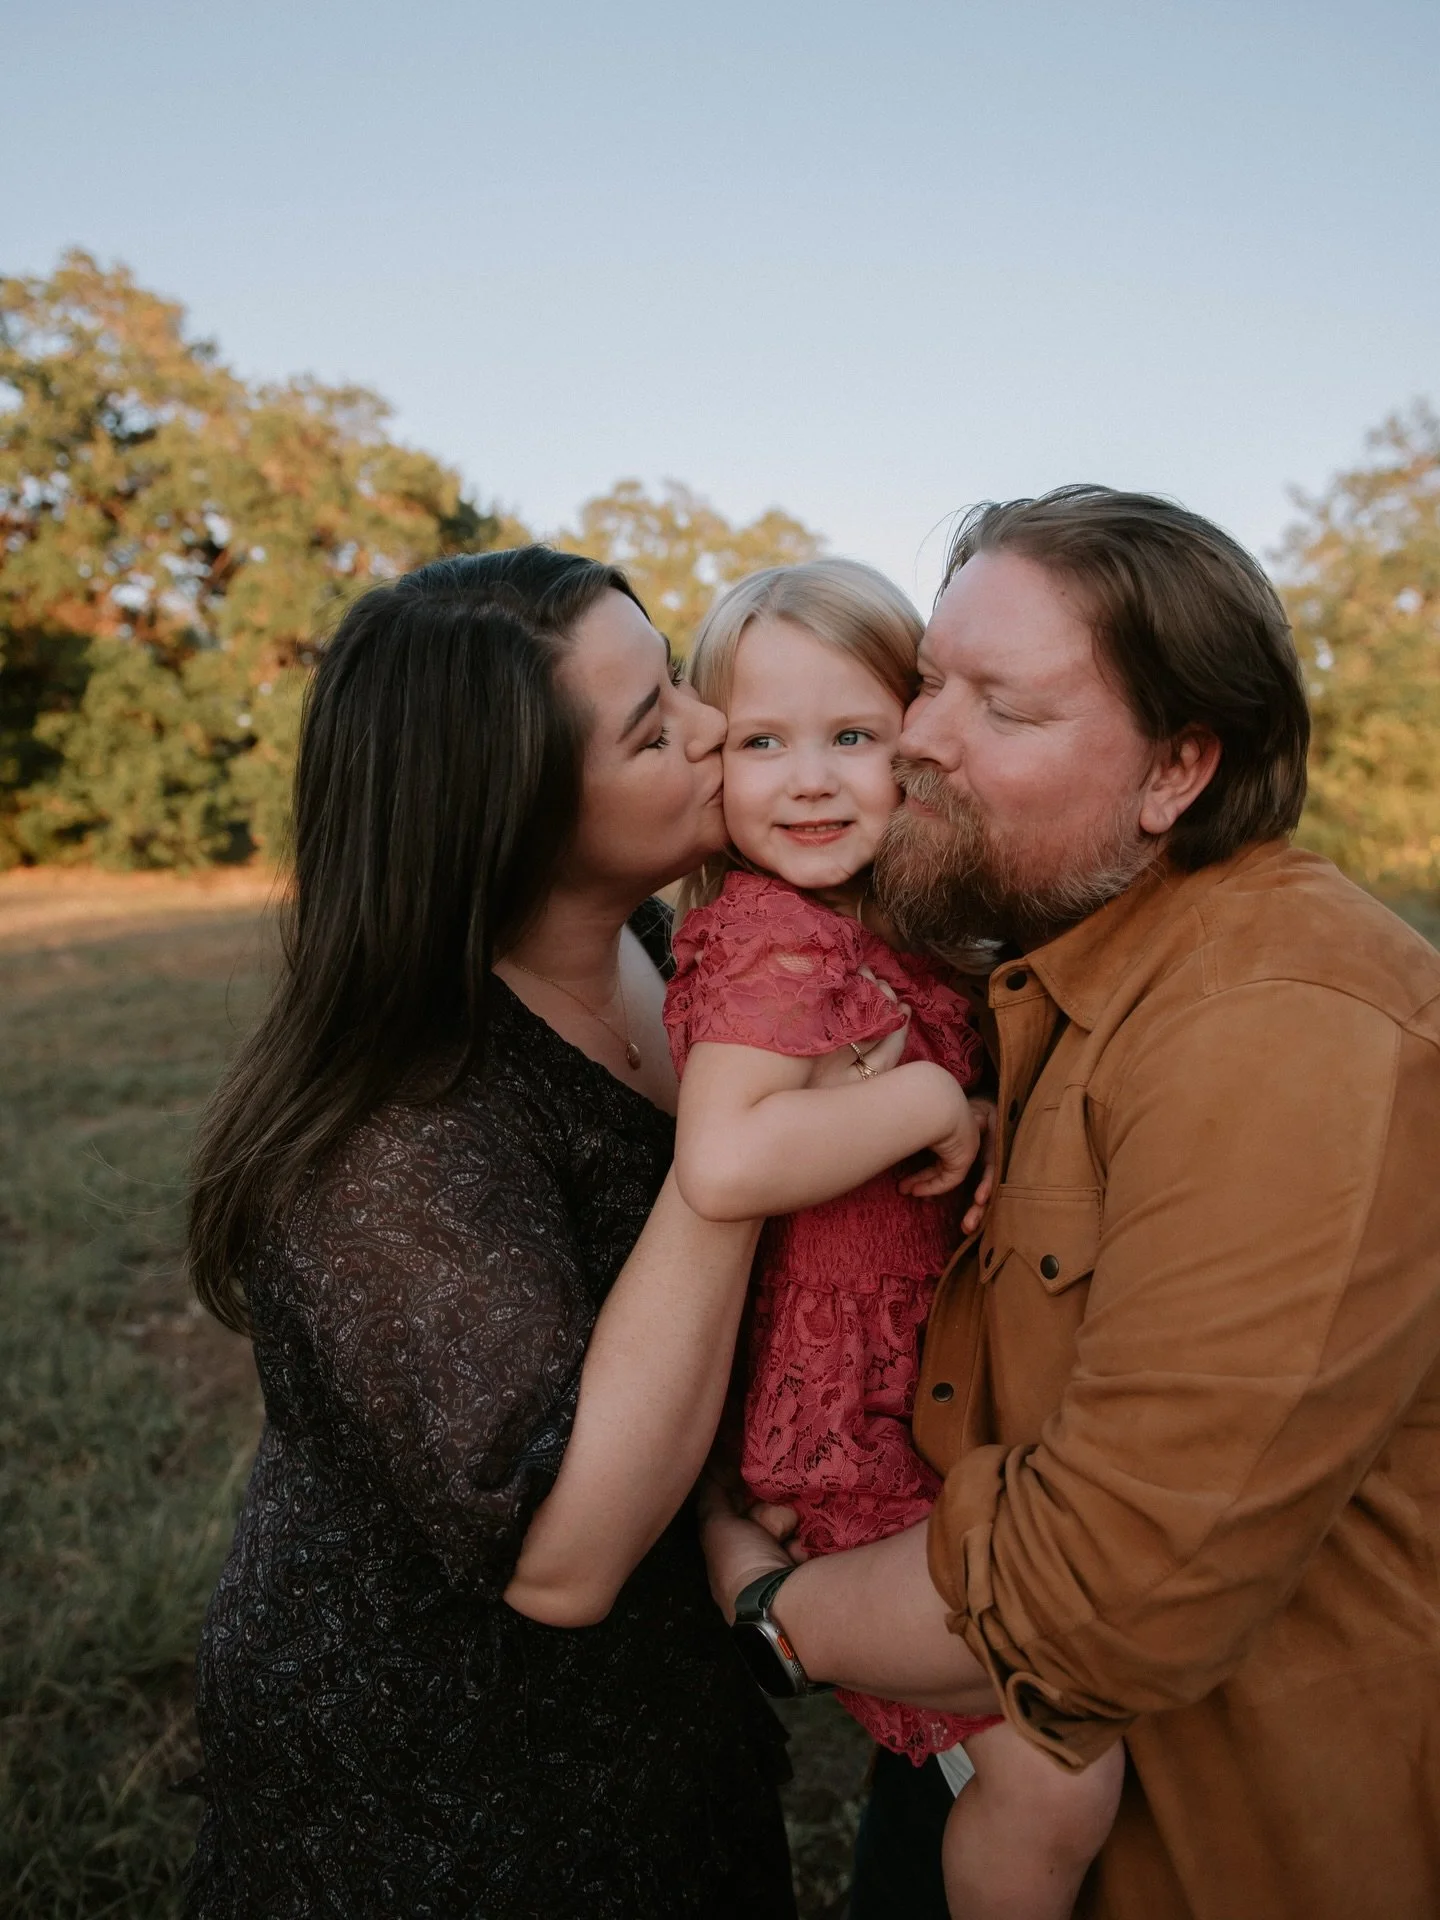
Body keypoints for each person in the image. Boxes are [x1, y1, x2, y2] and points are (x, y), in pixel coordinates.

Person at [699, 486, 1440, 1920]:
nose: (917, 739)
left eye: (1006, 711)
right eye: (928, 684)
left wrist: (772, 1615)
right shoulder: (1042, 958)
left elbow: (1101, 1588)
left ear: (1179, 772)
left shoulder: (1284, 1028)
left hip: (1214, 1843)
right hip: (984, 1748)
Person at [183, 548, 797, 1918]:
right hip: (443, 1793)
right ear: (506, 819)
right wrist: (739, 1155)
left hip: (670, 1728)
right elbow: (563, 1558)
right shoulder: (390, 1133)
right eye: (654, 731)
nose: (714, 729)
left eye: (680, 683)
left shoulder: (668, 941)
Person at [664, 559, 1123, 1920]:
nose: (809, 780)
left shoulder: (888, 930)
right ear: (715, 761)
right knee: (1057, 1783)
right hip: (842, 1436)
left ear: (913, 743)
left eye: (851, 737)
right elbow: (727, 1154)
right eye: (762, 743)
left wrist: (967, 1107)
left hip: (927, 1405)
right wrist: (930, 1097)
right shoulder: (766, 938)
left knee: (1044, 1740)